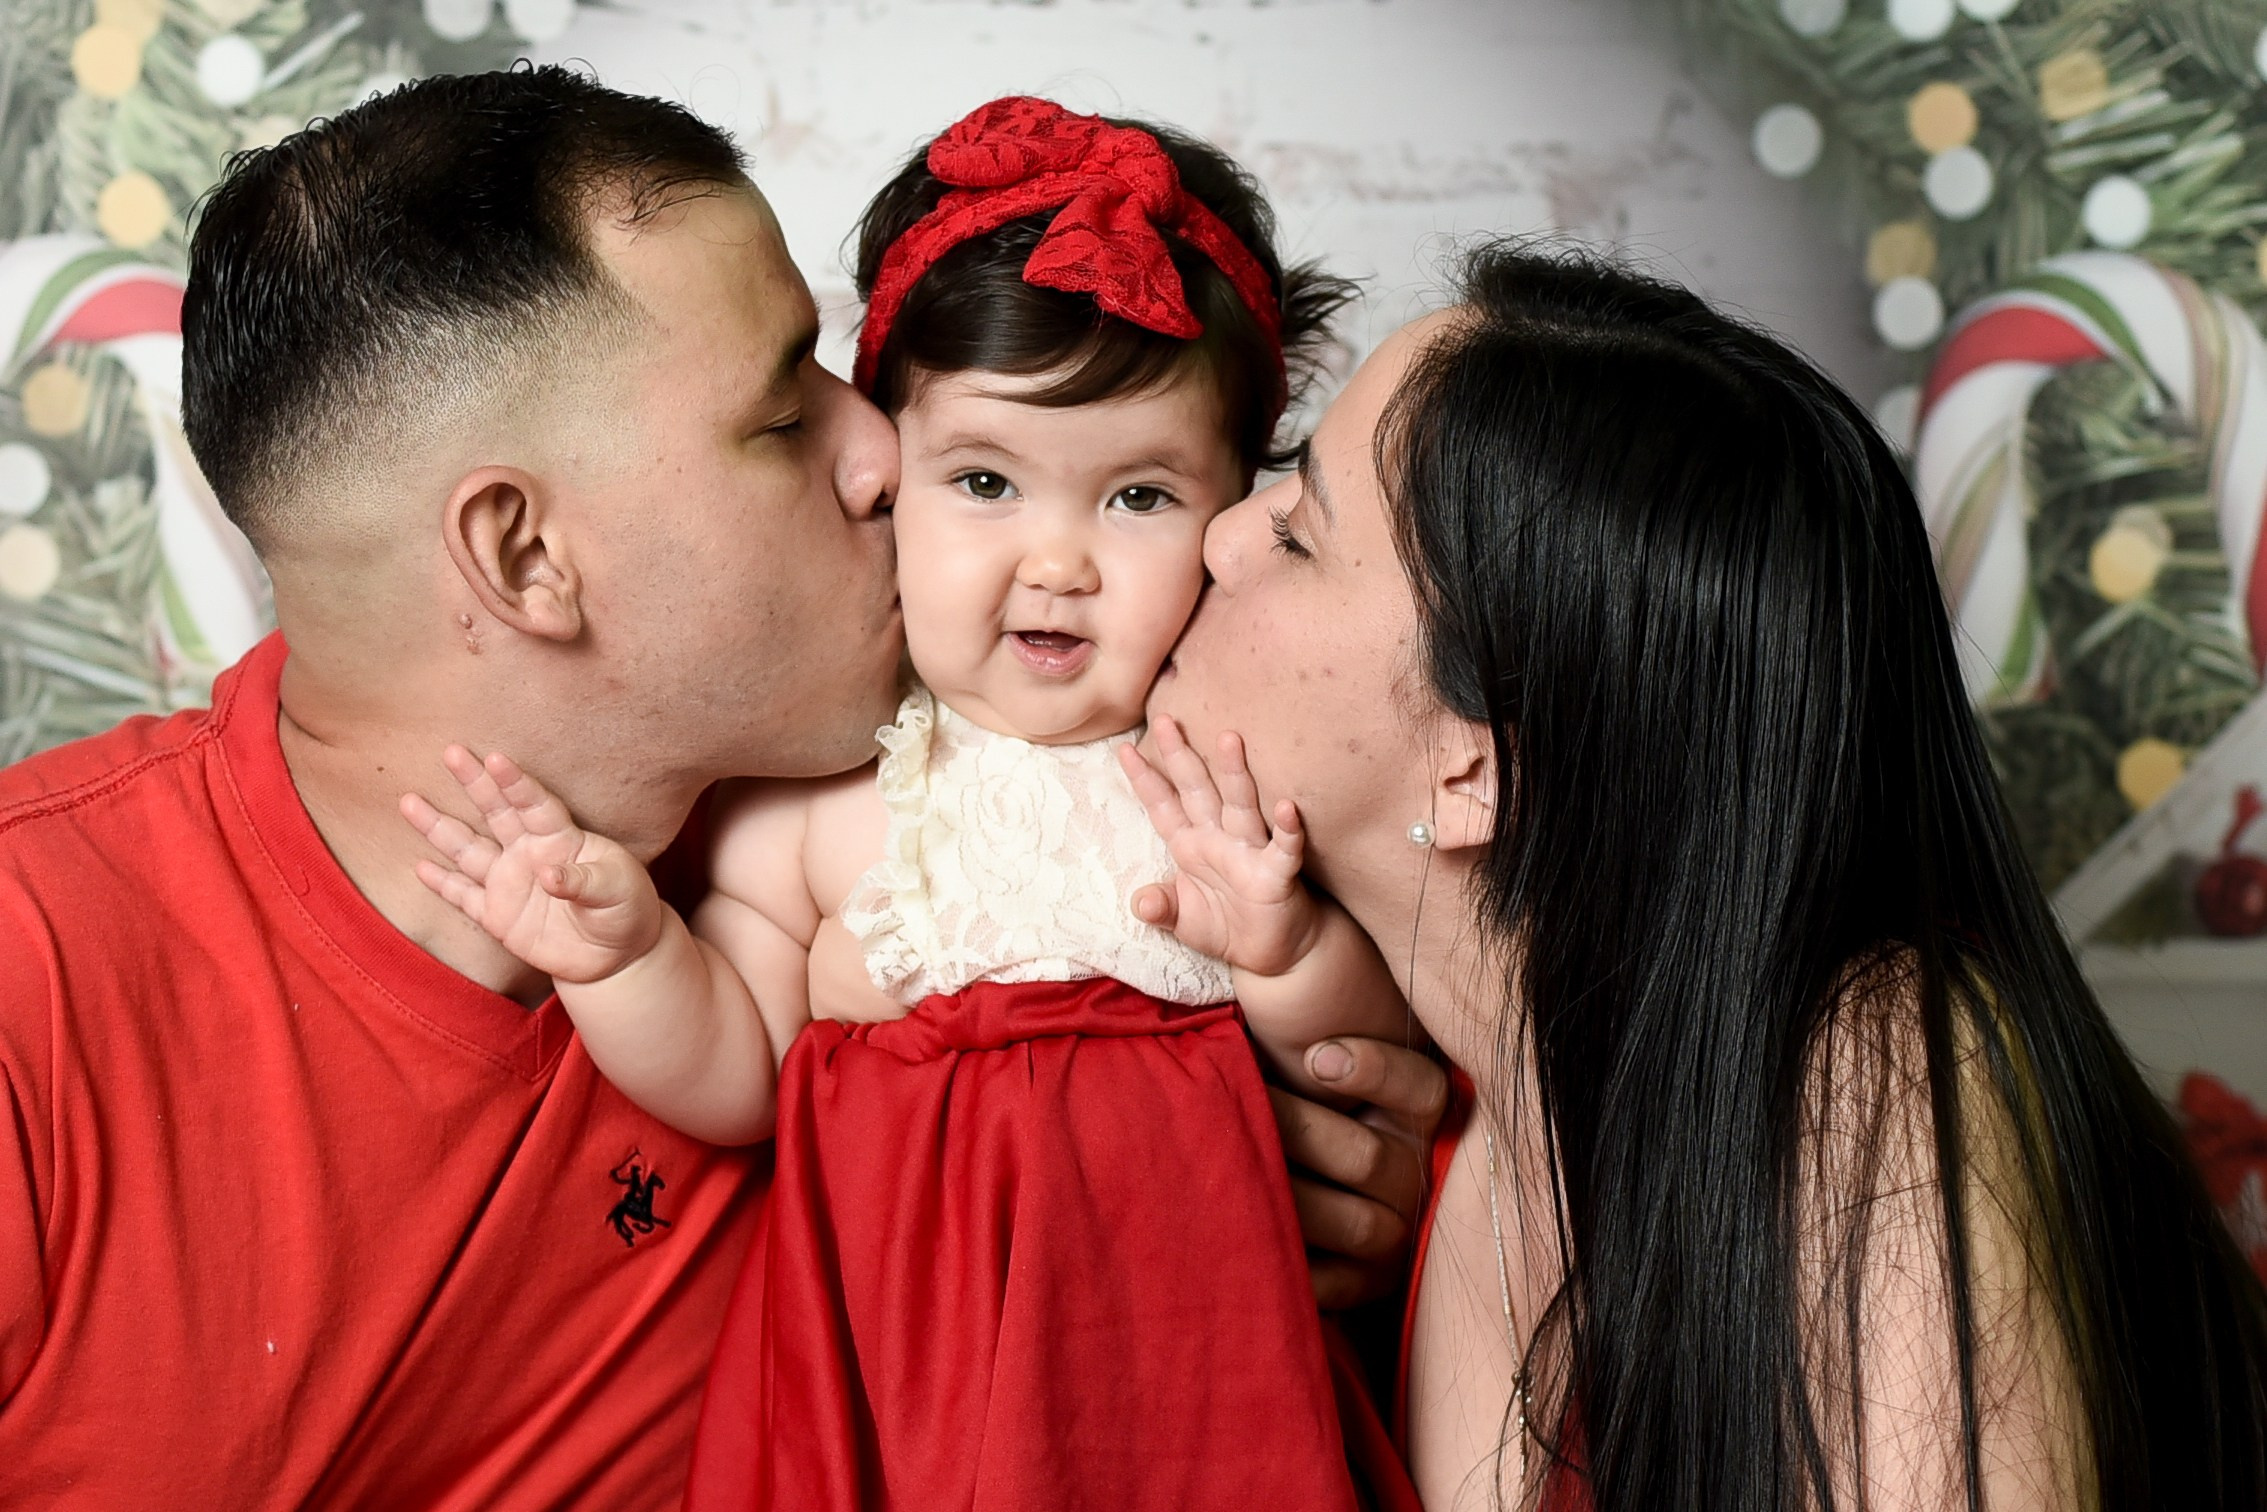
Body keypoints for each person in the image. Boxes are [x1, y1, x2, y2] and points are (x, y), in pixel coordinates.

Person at [0, 69, 1440, 1508]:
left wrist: (1308, 1207)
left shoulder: (923, 856)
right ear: (523, 560)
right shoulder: (40, 985)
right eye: (779, 414)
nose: (883, 451)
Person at [403, 95, 1412, 1511]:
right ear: (882, 477)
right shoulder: (819, 804)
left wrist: (1287, 951)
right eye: (986, 482)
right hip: (909, 1371)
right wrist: (625, 959)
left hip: (1186, 1366)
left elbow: (1364, 1059)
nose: (1056, 560)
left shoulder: (1213, 770)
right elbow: (737, 1073)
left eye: (1137, 498)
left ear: (1237, 509)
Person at [1149, 240, 2267, 1511]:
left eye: (1298, 533)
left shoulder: (1873, 1075)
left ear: (1474, 772)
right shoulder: (1404, 1099)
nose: (1222, 531)